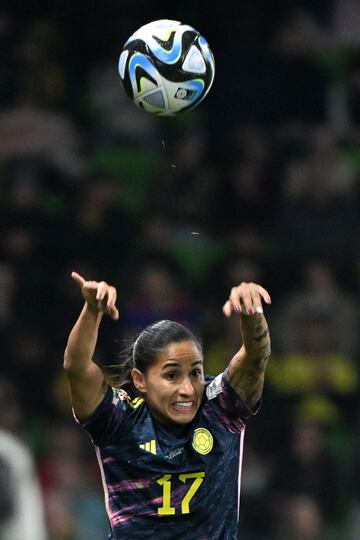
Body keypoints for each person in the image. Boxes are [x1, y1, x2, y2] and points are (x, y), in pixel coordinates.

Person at [64, 271, 272, 539]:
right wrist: (92, 311)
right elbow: (76, 367)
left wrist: (251, 311)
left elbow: (256, 358)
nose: (187, 389)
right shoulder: (119, 420)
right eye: (172, 375)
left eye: (195, 373)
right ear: (140, 379)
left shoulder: (220, 410)